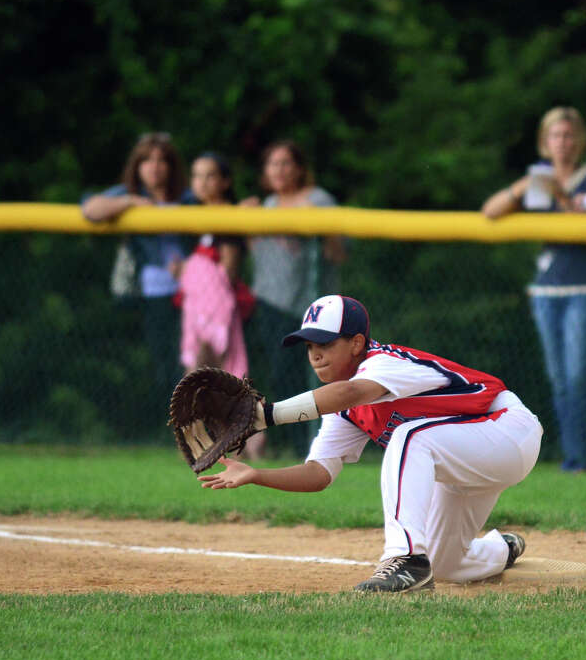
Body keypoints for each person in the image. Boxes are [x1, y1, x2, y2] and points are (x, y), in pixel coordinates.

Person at [197, 294, 541, 593]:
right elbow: (318, 474)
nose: (316, 355)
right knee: (447, 566)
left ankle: (405, 560)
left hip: (507, 431)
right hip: (466, 459)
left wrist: (263, 417)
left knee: (410, 437)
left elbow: (349, 392)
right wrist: (256, 474)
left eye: (326, 343)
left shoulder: (384, 363)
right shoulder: (341, 410)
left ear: (358, 343)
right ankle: (502, 549)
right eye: (310, 346)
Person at [482, 106, 586, 473]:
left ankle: (583, 459)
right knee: (560, 380)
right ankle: (572, 457)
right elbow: (490, 212)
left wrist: (556, 194)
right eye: (556, 136)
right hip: (548, 289)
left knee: (578, 377)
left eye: (570, 135)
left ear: (581, 141)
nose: (563, 143)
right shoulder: (539, 181)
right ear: (545, 142)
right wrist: (522, 188)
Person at [244, 140, 347, 457]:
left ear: (300, 168)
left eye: (286, 163)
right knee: (281, 374)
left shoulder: (318, 200)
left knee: (319, 376)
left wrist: (316, 224)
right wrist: (247, 220)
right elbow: (259, 254)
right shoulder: (266, 205)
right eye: (273, 164)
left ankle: (321, 444)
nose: (279, 170)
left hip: (311, 306)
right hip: (272, 301)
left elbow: (339, 253)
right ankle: (290, 444)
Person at [82, 132, 191, 417]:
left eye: (161, 160)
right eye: (147, 160)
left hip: (191, 292)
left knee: (192, 362)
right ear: (137, 166)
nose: (154, 167)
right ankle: (176, 426)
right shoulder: (130, 194)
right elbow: (90, 210)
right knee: (164, 363)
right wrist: (130, 202)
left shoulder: (188, 197)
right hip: (151, 292)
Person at [176, 152, 251, 379]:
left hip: (216, 305)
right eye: (197, 176)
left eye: (210, 176)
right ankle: (195, 413)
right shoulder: (193, 215)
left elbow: (228, 270)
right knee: (195, 368)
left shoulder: (228, 215)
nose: (202, 182)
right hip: (195, 304)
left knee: (210, 367)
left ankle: (208, 414)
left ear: (225, 182)